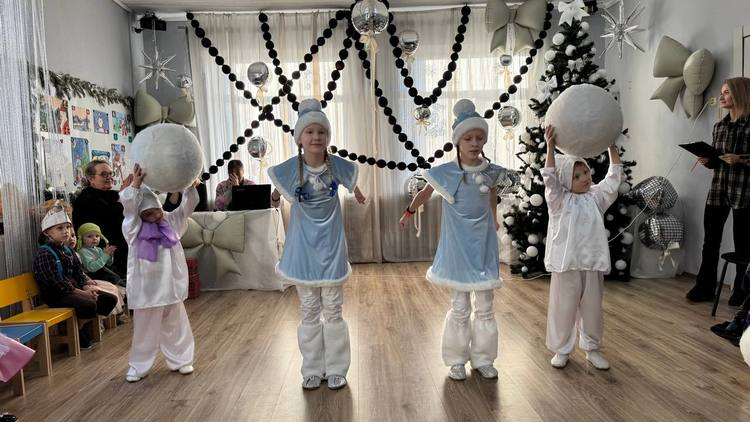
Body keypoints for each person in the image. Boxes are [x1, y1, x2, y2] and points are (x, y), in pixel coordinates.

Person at [400, 99, 510, 381]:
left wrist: (494, 217)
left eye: (479, 137)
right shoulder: (447, 172)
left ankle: (484, 358)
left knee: (485, 304)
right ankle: (456, 359)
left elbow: (492, 195)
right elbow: (426, 192)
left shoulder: (491, 171)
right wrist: (410, 211)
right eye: (468, 138)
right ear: (458, 141)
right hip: (459, 246)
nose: (474, 143)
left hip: (483, 244)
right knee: (460, 306)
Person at [268, 98, 366, 390]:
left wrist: (358, 193)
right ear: (300, 138)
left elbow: (351, 181)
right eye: (309, 132)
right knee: (309, 308)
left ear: (328, 137)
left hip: (331, 247)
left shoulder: (335, 166)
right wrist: (275, 197)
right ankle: (312, 369)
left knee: (333, 308)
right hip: (303, 248)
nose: (316, 137)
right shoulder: (292, 169)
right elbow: (278, 189)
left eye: (321, 132)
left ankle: (336, 367)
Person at [541, 126, 623, 370]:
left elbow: (613, 177)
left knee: (592, 309)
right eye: (577, 176)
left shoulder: (596, 196)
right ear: (567, 181)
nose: (585, 178)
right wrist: (550, 148)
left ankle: (592, 348)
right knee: (563, 308)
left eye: (586, 172)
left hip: (592, 263)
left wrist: (611, 147)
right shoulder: (559, 201)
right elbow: (550, 178)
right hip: (566, 264)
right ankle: (562, 349)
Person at [120, 164, 199, 382]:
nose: (153, 216)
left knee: (176, 324)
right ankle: (138, 366)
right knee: (144, 330)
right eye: (146, 214)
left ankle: (182, 360)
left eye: (155, 211)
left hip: (170, 285)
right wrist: (135, 187)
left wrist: (189, 187)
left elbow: (187, 207)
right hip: (146, 288)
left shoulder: (171, 221)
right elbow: (129, 209)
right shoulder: (133, 228)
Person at [689, 77, 750, 304]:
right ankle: (705, 287)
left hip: (744, 193)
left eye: (726, 92)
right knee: (710, 241)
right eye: (722, 92)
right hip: (718, 192)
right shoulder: (719, 127)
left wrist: (741, 159)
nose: (721, 97)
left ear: (740, 94)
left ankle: (742, 292)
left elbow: (740, 159)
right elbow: (718, 161)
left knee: (744, 245)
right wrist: (709, 160)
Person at [32, 201, 118, 349]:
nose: (65, 231)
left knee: (109, 299)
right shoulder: (45, 253)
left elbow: (78, 273)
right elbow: (56, 283)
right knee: (89, 303)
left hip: (73, 290)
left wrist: (86, 286)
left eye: (67, 227)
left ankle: (78, 327)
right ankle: (73, 334)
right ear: (47, 232)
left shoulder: (68, 250)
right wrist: (83, 294)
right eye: (60, 228)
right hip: (56, 294)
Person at [73, 160, 128, 277]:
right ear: (91, 179)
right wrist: (123, 197)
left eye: (111, 173)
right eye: (104, 174)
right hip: (101, 263)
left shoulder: (113, 195)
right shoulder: (85, 200)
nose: (109, 177)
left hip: (121, 255)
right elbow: (110, 220)